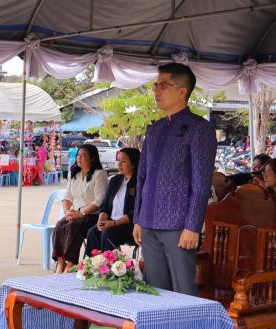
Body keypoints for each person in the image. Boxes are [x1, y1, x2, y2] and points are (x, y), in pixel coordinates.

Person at [133, 63, 216, 295]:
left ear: (182, 91)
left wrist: (193, 226)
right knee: (155, 290)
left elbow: (201, 184)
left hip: (179, 226)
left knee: (183, 290)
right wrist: (138, 219)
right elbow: (142, 177)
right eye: (155, 85)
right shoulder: (154, 129)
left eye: (163, 85)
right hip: (148, 222)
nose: (156, 90)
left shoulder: (199, 128)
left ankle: (189, 323)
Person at [52, 144, 108, 273]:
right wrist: (67, 212)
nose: (79, 158)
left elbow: (99, 200)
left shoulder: (100, 174)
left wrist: (82, 213)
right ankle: (60, 263)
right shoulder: (74, 173)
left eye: (83, 155)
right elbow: (67, 196)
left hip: (93, 215)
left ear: (92, 158)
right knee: (60, 225)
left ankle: (70, 264)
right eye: (78, 155)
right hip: (75, 214)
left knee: (73, 226)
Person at [85, 148, 140, 254]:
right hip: (111, 222)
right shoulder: (115, 180)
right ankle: (91, 263)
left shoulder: (139, 182)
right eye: (118, 160)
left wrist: (113, 224)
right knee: (93, 232)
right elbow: (105, 204)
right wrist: (101, 221)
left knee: (108, 234)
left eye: (123, 161)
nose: (119, 164)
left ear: (133, 164)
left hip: (129, 226)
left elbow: (136, 211)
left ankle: (108, 263)